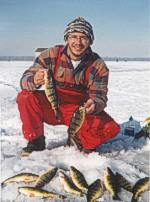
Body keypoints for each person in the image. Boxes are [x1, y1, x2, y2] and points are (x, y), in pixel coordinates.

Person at [17, 17, 120, 154]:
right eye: (74, 37)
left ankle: (80, 140)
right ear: (67, 38)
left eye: (83, 37)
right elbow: (24, 80)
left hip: (78, 111)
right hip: (52, 106)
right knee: (26, 97)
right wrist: (34, 80)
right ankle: (36, 141)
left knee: (110, 128)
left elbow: (100, 96)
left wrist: (94, 104)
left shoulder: (98, 65)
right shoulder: (51, 54)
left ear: (90, 41)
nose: (78, 42)